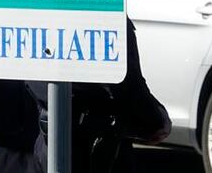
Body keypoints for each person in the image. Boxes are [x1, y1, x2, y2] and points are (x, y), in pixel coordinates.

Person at [27, 19, 171, 173]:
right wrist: (155, 122)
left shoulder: (35, 15)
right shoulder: (106, 15)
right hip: (97, 145)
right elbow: (128, 86)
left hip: (50, 139)